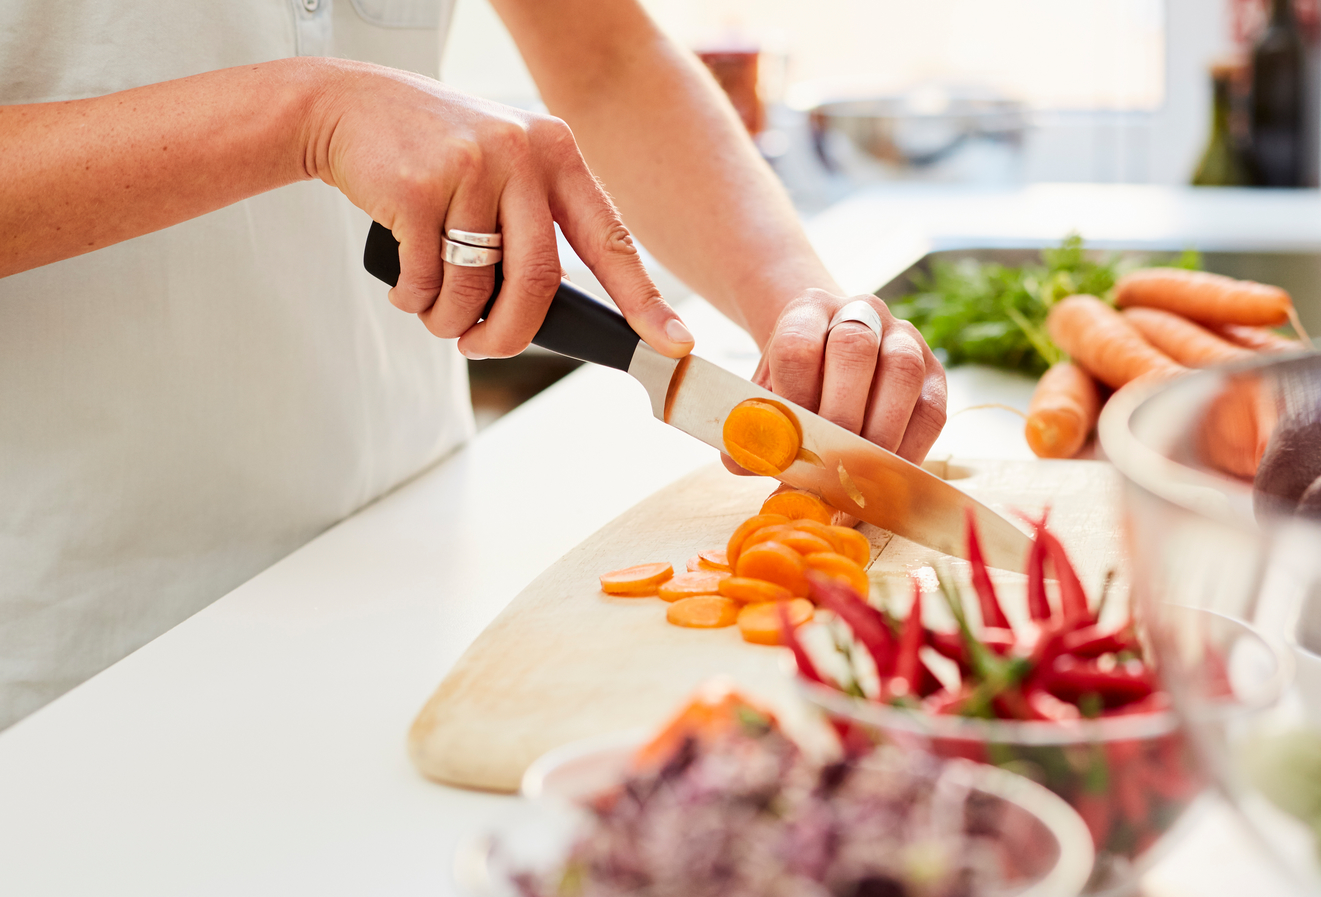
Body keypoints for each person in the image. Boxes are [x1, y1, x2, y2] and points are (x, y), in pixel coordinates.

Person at [0, 0, 947, 730]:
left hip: (411, 570)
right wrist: (305, 109)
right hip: (77, 634)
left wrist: (798, 304)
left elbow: (605, 60)